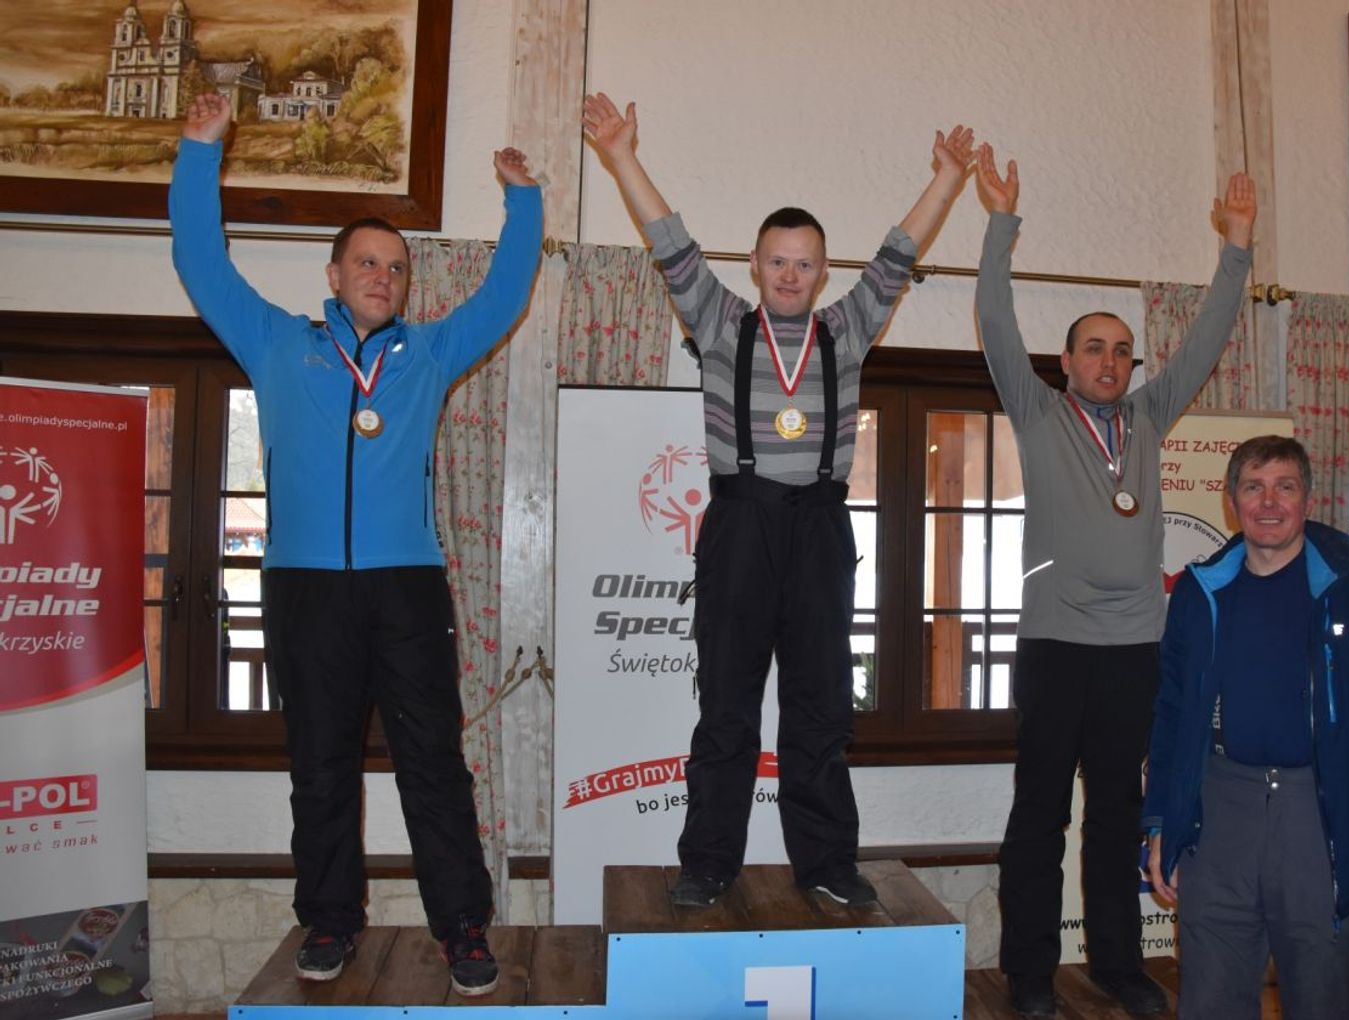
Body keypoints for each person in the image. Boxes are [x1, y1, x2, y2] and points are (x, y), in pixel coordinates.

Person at [169, 93, 544, 995]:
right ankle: (331, 920)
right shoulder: (275, 342)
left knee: (433, 765)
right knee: (321, 766)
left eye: (397, 267)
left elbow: (504, 292)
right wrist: (199, 152)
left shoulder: (430, 354)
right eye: (367, 262)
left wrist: (523, 202)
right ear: (334, 274)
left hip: (406, 586)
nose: (383, 275)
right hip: (305, 586)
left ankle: (462, 927)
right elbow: (200, 260)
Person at [582, 93, 973, 909]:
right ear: (756, 267)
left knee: (820, 709)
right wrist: (621, 157)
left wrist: (945, 179)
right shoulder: (720, 323)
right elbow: (671, 244)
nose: (791, 275)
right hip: (740, 525)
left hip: (820, 529)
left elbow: (897, 256)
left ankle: (826, 860)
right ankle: (708, 862)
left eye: (805, 263)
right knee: (727, 709)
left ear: (822, 272)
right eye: (777, 262)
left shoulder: (847, 329)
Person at [974, 144, 1257, 1017]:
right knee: (1039, 816)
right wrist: (1000, 225)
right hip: (1055, 646)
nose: (1110, 361)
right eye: (1094, 348)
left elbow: (1206, 337)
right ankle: (1029, 974)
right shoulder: (1036, 411)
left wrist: (1238, 246)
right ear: (1065, 362)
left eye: (1123, 352)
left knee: (1116, 816)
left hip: (1135, 648)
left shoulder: (1148, 415)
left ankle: (1118, 966)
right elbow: (993, 319)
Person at [1143, 436, 1349, 1019]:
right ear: (1232, 500)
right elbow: (1172, 714)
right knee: (1209, 1000)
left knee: (1327, 996)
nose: (1269, 502)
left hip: (1325, 815)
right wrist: (1162, 821)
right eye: (1253, 487)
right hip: (1220, 816)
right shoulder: (1199, 593)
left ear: (1308, 499)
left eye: (1285, 487)